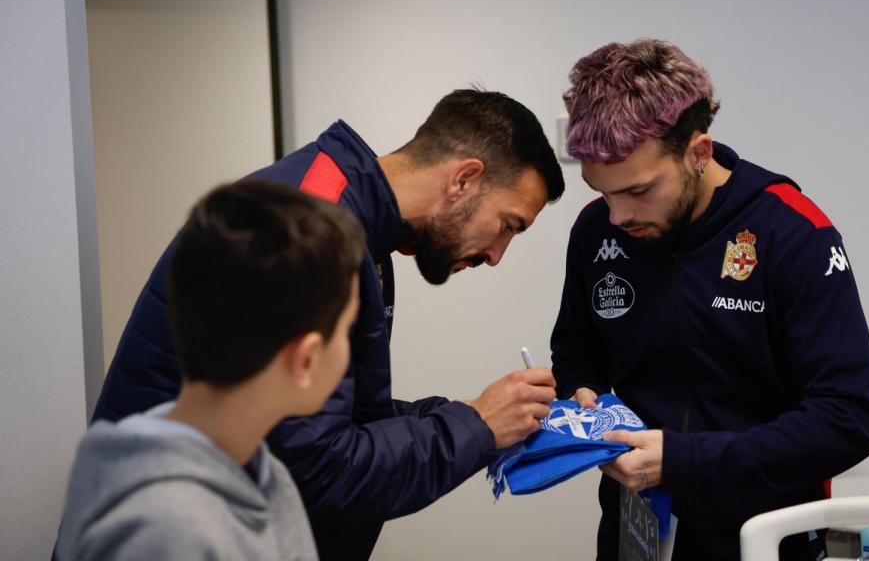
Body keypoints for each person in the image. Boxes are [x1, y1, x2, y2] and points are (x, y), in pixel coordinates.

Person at [90, 89, 564, 559]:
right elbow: (315, 470)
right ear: (463, 179)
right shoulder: (303, 238)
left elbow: (337, 417)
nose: (498, 255)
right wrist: (476, 425)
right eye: (508, 224)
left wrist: (478, 414)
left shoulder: (356, 231)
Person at [551, 39, 869, 560]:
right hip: (635, 529)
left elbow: (848, 421)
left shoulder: (792, 233)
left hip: (765, 538)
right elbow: (577, 348)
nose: (616, 215)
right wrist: (583, 393)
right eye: (600, 190)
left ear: (698, 153)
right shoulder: (597, 230)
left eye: (638, 192)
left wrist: (683, 460)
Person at [56, 181, 364, 560]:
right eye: (348, 330)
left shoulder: (263, 474)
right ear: (305, 360)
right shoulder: (165, 533)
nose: (351, 351)